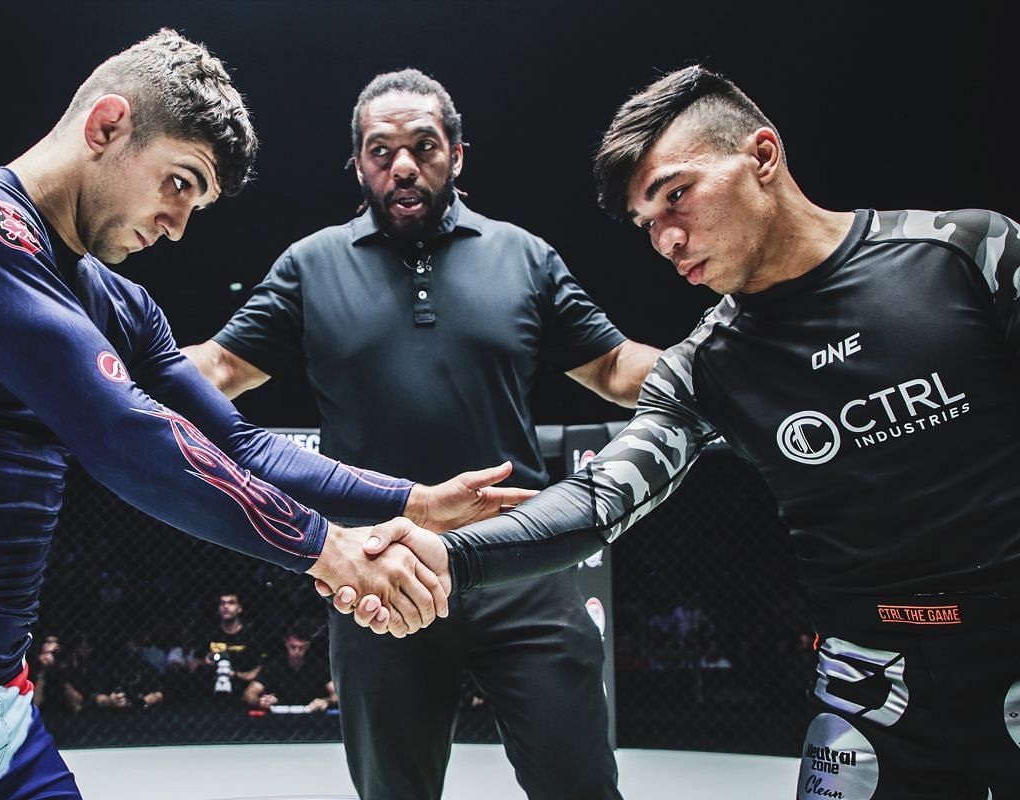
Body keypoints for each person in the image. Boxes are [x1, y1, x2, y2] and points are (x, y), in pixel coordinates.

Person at [0, 30, 528, 800]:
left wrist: (411, 500)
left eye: (199, 200)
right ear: (107, 126)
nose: (180, 223)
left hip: (3, 712)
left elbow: (242, 444)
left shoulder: (119, 303)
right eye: (180, 182)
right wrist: (332, 551)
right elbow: (127, 437)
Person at [357, 65, 1020, 799]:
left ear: (762, 156)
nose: (667, 238)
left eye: (677, 195)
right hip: (870, 696)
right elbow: (597, 501)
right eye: (647, 222)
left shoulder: (970, 255)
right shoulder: (703, 368)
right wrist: (445, 554)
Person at [184, 68, 660, 800]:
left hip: (521, 567)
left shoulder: (523, 257)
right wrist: (82, 363)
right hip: (381, 571)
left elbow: (617, 367)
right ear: (358, 163)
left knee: (582, 785)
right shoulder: (312, 266)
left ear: (457, 153)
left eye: (423, 146)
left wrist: (730, 363)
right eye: (381, 150)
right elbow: (214, 368)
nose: (402, 165)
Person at [242, 624, 337, 714]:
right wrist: (260, 701)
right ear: (286, 643)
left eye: (301, 648)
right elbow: (248, 694)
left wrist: (326, 701)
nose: (296, 652)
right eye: (293, 647)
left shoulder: (317, 665)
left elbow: (338, 695)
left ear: (308, 646)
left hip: (312, 716)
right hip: (279, 719)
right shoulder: (274, 665)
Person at [202, 591, 265, 706]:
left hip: (241, 690)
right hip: (209, 691)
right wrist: (206, 660)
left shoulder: (250, 634)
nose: (225, 606)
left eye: (231, 603)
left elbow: (260, 668)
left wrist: (236, 675)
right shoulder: (209, 632)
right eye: (222, 603)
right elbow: (195, 661)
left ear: (239, 608)